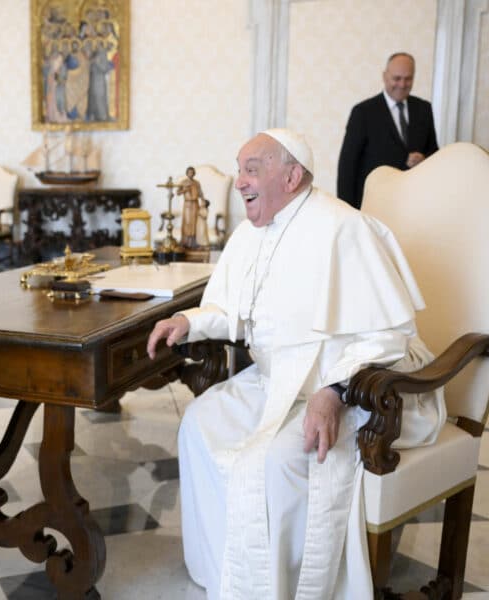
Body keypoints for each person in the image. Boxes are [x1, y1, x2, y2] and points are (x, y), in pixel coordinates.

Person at [147, 129, 445, 599]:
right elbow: (232, 308)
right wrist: (189, 320)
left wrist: (335, 392)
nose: (239, 180)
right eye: (239, 168)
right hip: (276, 383)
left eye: (252, 169)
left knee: (282, 458)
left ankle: (283, 588)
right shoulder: (251, 233)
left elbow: (388, 336)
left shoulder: (344, 228)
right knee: (199, 425)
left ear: (290, 176)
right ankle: (226, 575)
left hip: (356, 386)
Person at [337, 52, 439, 209]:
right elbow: (347, 167)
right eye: (397, 78)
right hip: (374, 204)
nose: (402, 84)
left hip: (414, 204)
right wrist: (346, 210)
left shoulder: (424, 109)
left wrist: (424, 159)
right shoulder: (363, 112)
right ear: (385, 76)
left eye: (408, 79)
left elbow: (435, 155)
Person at [177, 166, 202, 248]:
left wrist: (203, 201)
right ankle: (185, 242)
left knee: (195, 222)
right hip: (187, 204)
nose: (191, 174)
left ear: (194, 173)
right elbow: (178, 192)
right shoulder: (183, 182)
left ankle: (194, 242)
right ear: (187, 173)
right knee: (187, 222)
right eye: (189, 172)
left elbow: (200, 193)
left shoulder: (197, 183)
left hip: (195, 204)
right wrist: (185, 189)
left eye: (192, 172)